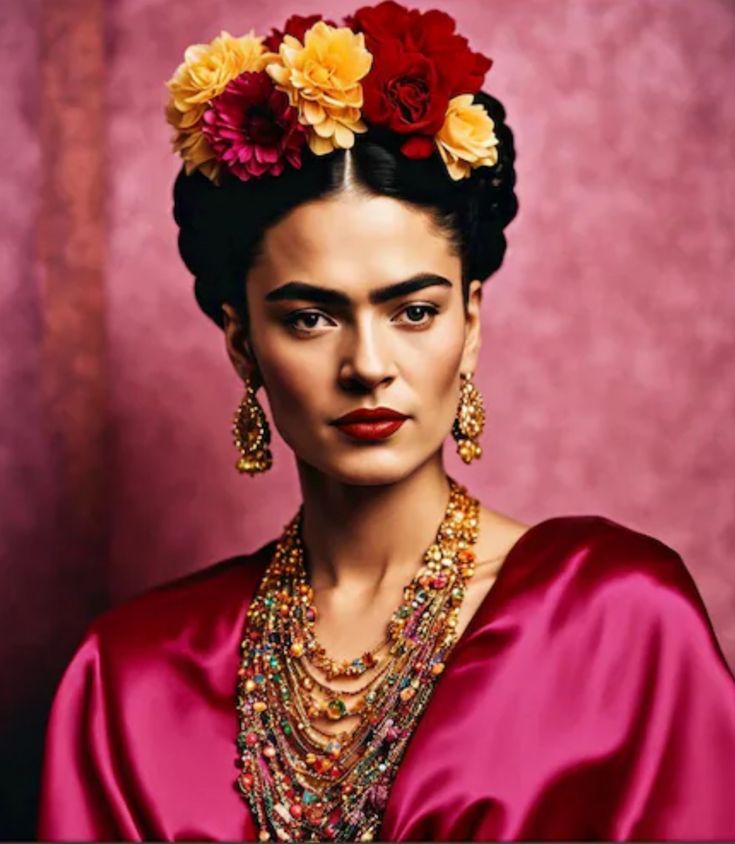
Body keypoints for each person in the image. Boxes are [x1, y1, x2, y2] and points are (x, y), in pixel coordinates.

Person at [37, 4, 735, 841]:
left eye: (412, 311)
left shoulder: (616, 622)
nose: (368, 363)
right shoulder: (130, 680)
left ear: (469, 324)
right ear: (241, 341)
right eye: (310, 318)